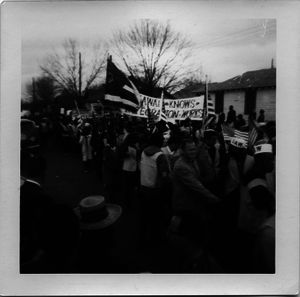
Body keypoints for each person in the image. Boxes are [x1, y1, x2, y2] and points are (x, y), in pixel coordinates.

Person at [139, 132, 170, 248]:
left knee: (144, 217)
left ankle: (141, 240)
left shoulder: (143, 151)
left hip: (143, 188)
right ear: (158, 141)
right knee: (156, 218)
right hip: (155, 191)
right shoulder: (160, 156)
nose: (164, 140)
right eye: (162, 138)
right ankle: (154, 243)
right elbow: (164, 176)